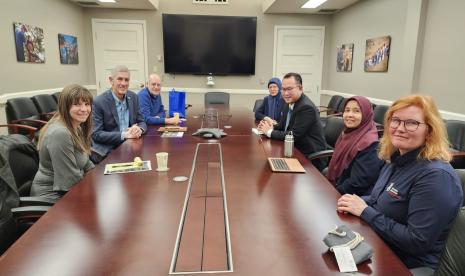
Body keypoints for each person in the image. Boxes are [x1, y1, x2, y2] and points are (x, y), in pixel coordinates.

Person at [337, 95, 463, 271]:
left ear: (430, 130)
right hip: (378, 243)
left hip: (407, 264)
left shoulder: (436, 177)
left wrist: (365, 211)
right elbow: (378, 199)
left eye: (411, 123)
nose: (400, 128)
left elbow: (416, 241)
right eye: (395, 121)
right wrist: (353, 201)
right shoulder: (397, 158)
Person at [31, 84, 95, 200]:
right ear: (65, 106)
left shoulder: (76, 126)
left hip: (71, 189)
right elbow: (69, 180)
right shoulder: (60, 133)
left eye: (87, 104)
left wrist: (96, 175)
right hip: (52, 198)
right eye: (77, 104)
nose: (84, 109)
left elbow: (85, 162)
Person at [257, 72, 326, 170]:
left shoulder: (306, 108)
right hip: (292, 150)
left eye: (289, 89)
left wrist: (269, 132)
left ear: (301, 88)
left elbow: (293, 135)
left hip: (310, 158)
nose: (285, 93)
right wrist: (267, 126)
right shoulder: (288, 103)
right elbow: (282, 126)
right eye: (283, 89)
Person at [327, 96, 384, 196]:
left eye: (356, 111)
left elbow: (358, 183)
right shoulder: (347, 133)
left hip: (352, 197)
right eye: (347, 110)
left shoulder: (370, 144)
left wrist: (332, 192)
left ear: (366, 114)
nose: (350, 115)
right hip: (339, 186)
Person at [92, 65, 147, 162]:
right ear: (111, 80)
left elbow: (142, 121)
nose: (123, 83)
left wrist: (139, 129)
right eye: (120, 79)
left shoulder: (133, 97)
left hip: (130, 146)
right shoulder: (99, 102)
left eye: (126, 80)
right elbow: (96, 134)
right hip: (109, 150)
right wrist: (124, 135)